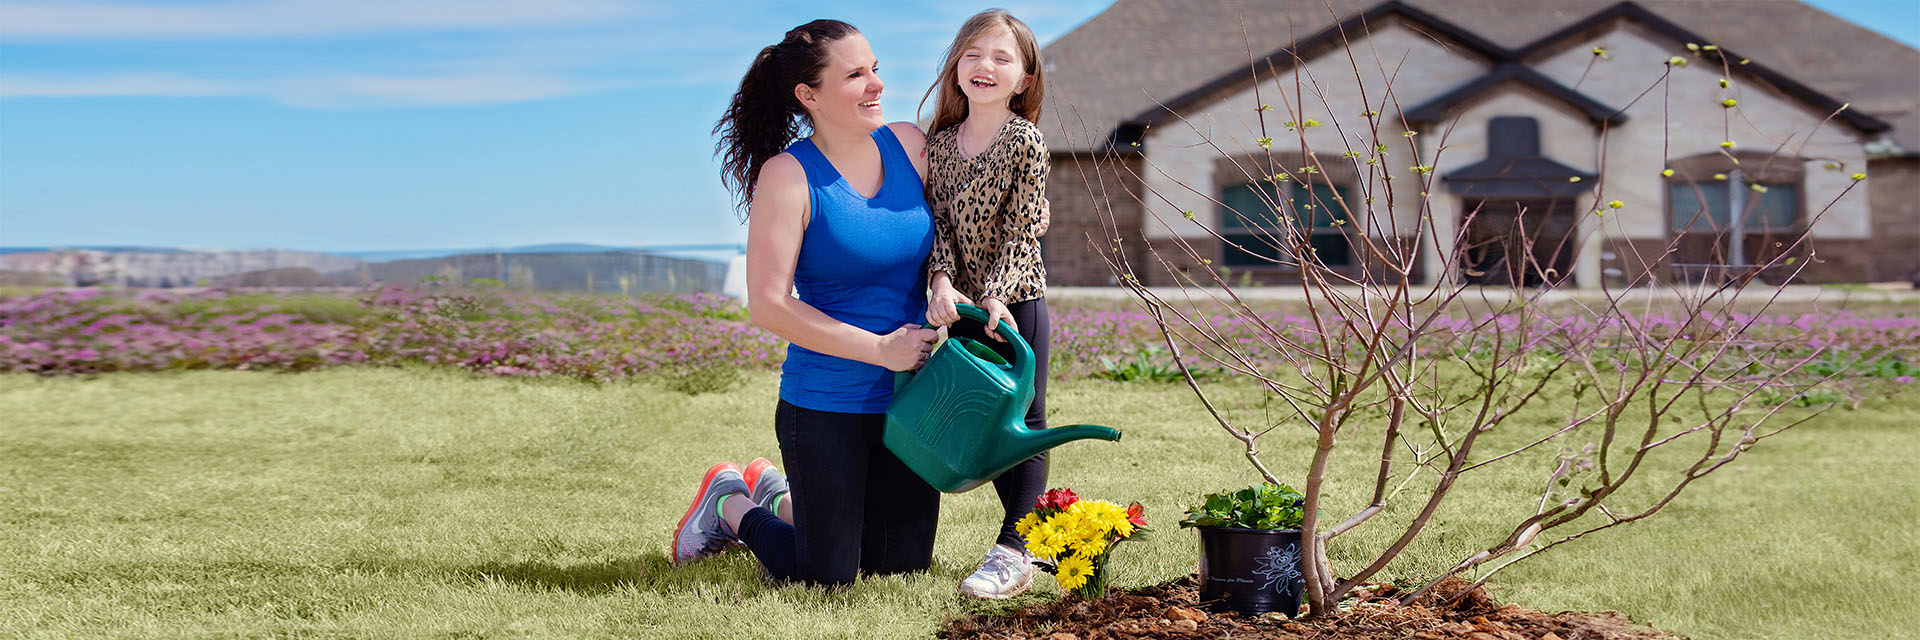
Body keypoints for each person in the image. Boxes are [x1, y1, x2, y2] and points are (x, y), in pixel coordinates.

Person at [673, 19, 943, 587]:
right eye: (855, 74)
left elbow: (958, 233)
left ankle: (781, 497)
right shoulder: (788, 176)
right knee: (824, 578)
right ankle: (730, 505)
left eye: (875, 69)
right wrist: (879, 349)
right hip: (825, 403)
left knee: (900, 568)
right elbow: (769, 304)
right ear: (809, 95)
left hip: (908, 400)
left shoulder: (909, 145)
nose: (876, 84)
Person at [916, 9, 1054, 599]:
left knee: (1024, 420)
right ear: (956, 66)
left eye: (1002, 57)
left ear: (1024, 78)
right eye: (972, 54)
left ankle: (1014, 551)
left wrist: (995, 292)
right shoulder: (940, 145)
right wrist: (942, 281)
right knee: (985, 421)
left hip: (1016, 300)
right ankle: (1041, 537)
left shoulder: (1026, 141)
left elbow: (1025, 230)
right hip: (965, 307)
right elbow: (940, 225)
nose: (984, 66)